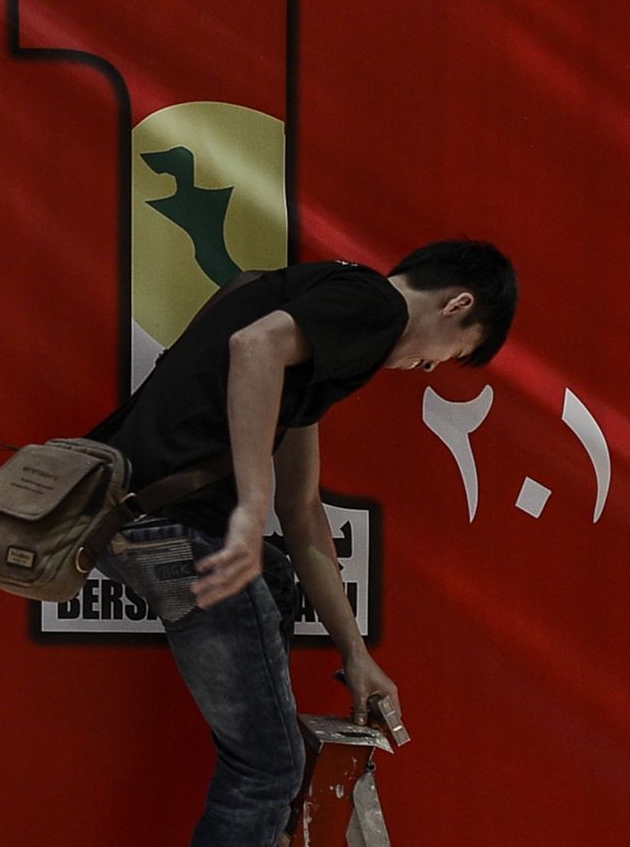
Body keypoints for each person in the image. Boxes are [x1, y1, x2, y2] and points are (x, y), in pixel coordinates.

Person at [96, 239, 518, 847]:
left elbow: (302, 511)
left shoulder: (315, 312)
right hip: (179, 530)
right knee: (271, 771)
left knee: (274, 581)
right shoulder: (378, 307)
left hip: (135, 523)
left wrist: (356, 654)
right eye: (450, 355)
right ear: (456, 305)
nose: (425, 368)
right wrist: (249, 508)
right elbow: (255, 345)